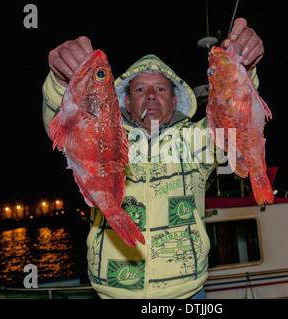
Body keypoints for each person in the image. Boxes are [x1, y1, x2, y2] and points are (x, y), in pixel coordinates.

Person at [42, 18, 264, 299]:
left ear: (174, 101)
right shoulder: (101, 131)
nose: (150, 96)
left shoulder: (197, 141)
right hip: (112, 293)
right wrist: (61, 82)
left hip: (188, 295)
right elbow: (62, 123)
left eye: (160, 89)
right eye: (139, 89)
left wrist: (243, 69)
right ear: (124, 101)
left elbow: (235, 118)